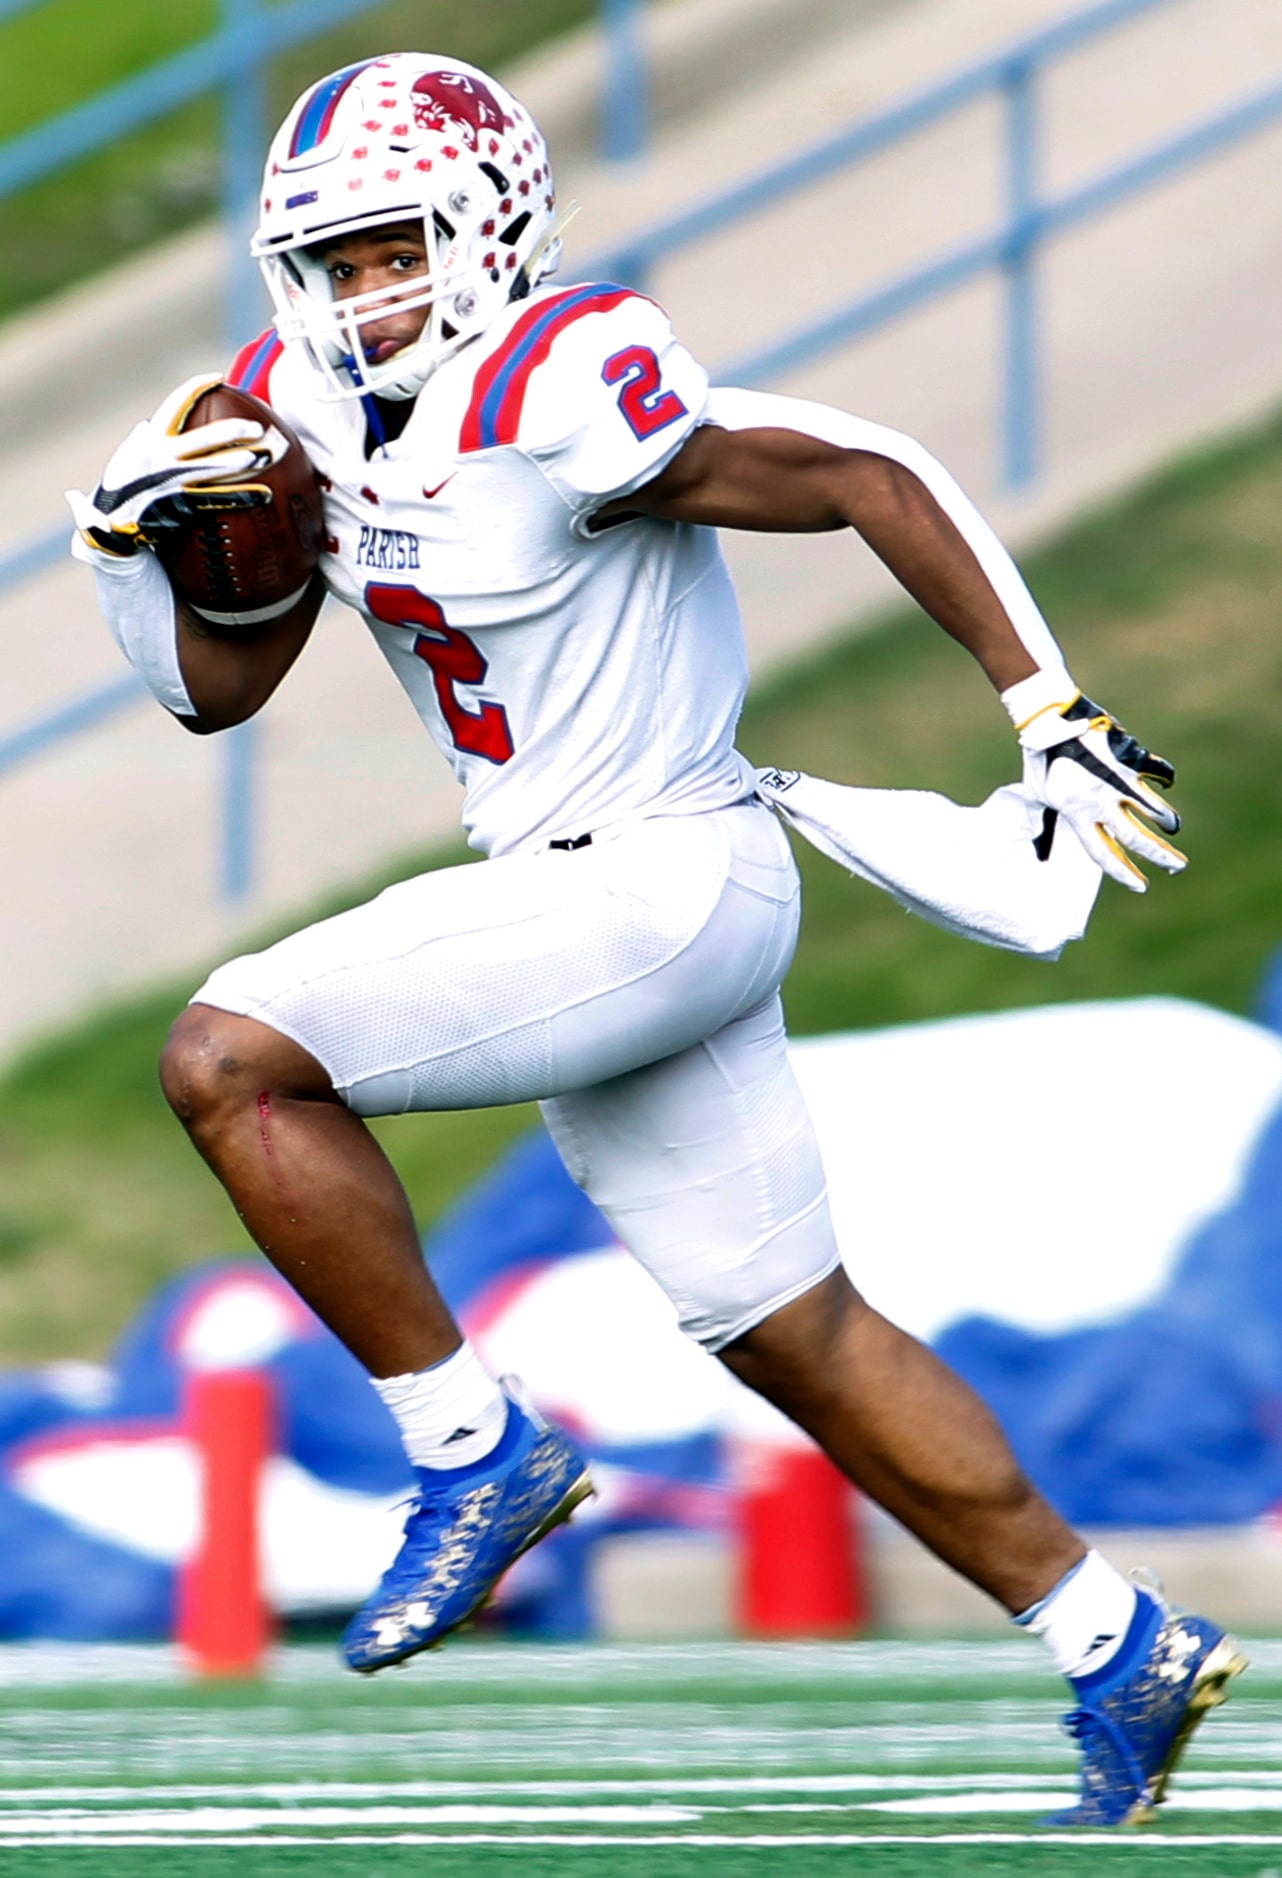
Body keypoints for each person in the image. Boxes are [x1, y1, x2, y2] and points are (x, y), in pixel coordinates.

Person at [67, 53, 1240, 1828]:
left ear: (482, 226)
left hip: (661, 874)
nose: (360, 295)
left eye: (392, 251)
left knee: (225, 1056)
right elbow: (223, 694)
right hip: (579, 903)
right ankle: (1116, 1639)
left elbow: (861, 467)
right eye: (329, 264)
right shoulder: (286, 402)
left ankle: (475, 1451)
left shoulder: (560, 371)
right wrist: (129, 562)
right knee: (790, 1331)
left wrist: (1041, 699)